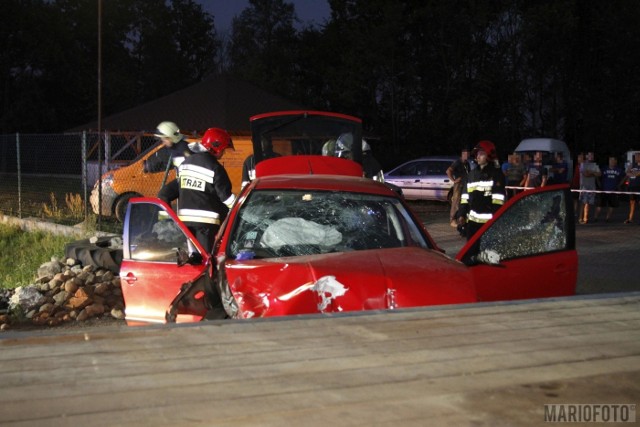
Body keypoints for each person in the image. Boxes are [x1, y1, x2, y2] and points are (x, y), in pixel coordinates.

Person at [159, 127, 236, 252]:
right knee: (207, 261)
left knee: (194, 259)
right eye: (224, 149)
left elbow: (163, 194)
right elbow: (227, 199)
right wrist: (242, 206)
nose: (224, 153)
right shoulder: (215, 168)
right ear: (216, 147)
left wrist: (171, 220)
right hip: (207, 225)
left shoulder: (185, 165)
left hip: (185, 224)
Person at [458, 140, 506, 240]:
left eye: (481, 154)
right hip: (472, 225)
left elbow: (498, 200)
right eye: (476, 154)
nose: (477, 157)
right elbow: (464, 197)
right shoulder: (471, 175)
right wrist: (461, 214)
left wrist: (495, 222)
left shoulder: (496, 175)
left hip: (489, 225)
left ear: (489, 155)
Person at [594, 156, 624, 222]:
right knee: (599, 205)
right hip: (604, 190)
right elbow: (598, 176)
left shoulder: (619, 170)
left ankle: (607, 218)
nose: (612, 162)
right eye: (610, 160)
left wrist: (619, 185)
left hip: (613, 190)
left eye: (613, 161)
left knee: (611, 205)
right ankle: (595, 218)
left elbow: (624, 177)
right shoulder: (604, 169)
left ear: (616, 161)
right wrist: (599, 184)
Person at [446, 148, 471, 227]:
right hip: (459, 184)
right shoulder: (458, 162)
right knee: (456, 202)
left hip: (465, 184)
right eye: (465, 154)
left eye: (468, 154)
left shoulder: (466, 163)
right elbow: (448, 171)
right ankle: (452, 220)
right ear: (462, 154)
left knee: (463, 202)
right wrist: (454, 180)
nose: (467, 156)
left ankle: (460, 219)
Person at [578, 152, 601, 224]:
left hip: (592, 187)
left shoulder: (595, 165)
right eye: (590, 155)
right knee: (583, 203)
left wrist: (591, 172)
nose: (591, 156)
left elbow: (599, 174)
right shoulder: (583, 164)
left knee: (589, 203)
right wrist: (594, 173)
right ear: (586, 156)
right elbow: (585, 174)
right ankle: (582, 218)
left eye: (592, 155)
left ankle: (586, 218)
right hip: (584, 186)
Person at [624, 152, 640, 224]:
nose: (636, 158)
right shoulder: (633, 165)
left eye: (637, 157)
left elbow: (638, 174)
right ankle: (630, 219)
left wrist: (632, 174)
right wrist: (632, 173)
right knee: (632, 202)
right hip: (632, 186)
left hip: (639, 186)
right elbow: (627, 173)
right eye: (635, 157)